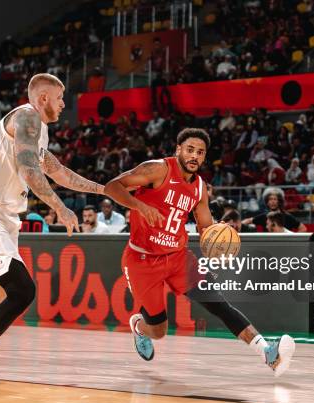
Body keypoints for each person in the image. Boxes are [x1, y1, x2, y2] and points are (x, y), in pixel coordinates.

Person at [0, 73, 104, 384]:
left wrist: (103, 189)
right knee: (22, 290)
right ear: (43, 99)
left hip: (3, 218)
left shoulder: (38, 132)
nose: (64, 104)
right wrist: (60, 208)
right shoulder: (27, 117)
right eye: (60, 98)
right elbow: (28, 170)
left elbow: (59, 172)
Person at [104, 128, 295, 377]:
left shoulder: (200, 188)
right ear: (178, 150)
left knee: (217, 302)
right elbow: (112, 187)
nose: (194, 156)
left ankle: (269, 353)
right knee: (159, 330)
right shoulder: (157, 169)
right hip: (142, 259)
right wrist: (140, 206)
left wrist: (218, 235)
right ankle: (139, 327)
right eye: (190, 150)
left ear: (205, 157)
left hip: (177, 257)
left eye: (200, 152)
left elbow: (205, 228)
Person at [242, 187, 307, 232]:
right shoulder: (264, 216)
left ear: (279, 201)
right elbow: (248, 220)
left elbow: (303, 228)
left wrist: (293, 240)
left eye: (275, 199)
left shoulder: (287, 216)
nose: (272, 201)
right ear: (267, 202)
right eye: (270, 199)